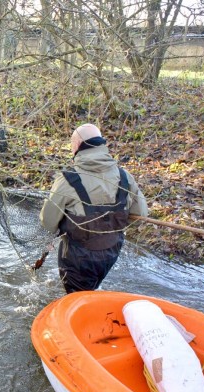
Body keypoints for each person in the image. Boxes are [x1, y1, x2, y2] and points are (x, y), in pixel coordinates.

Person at [39, 123, 148, 293]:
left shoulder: (67, 180)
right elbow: (141, 213)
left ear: (76, 145)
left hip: (78, 259)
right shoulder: (124, 176)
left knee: (76, 298)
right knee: (91, 290)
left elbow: (48, 222)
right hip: (111, 253)